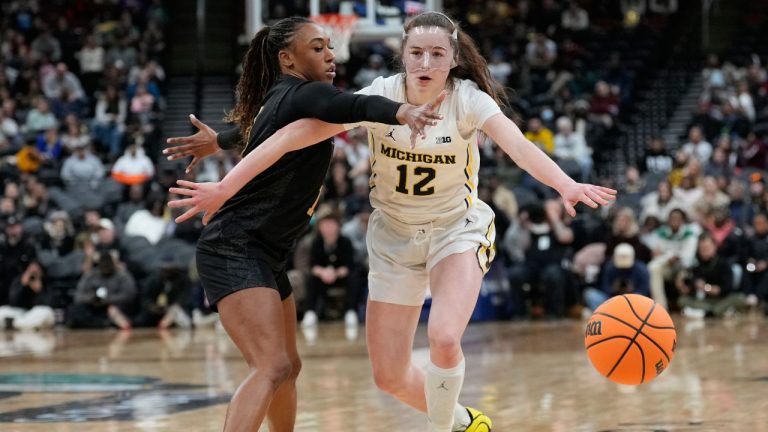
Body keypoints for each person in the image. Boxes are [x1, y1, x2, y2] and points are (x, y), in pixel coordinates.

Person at [166, 12, 616, 431]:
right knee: (389, 377)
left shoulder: (468, 101)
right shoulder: (380, 94)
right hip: (392, 237)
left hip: (453, 228)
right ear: (403, 55)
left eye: (438, 53)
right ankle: (464, 421)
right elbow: (288, 133)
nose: (426, 61)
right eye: (417, 52)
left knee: (442, 336)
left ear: (453, 60)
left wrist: (566, 184)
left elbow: (518, 145)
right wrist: (225, 171)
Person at [161, 16, 445, 432]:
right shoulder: (305, 94)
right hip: (235, 247)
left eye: (330, 46)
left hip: (265, 253)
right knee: (271, 365)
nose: (330, 55)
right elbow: (349, 105)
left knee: (288, 366)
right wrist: (402, 110)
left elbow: (254, 126)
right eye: (317, 48)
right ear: (287, 59)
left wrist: (218, 141)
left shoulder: (284, 98)